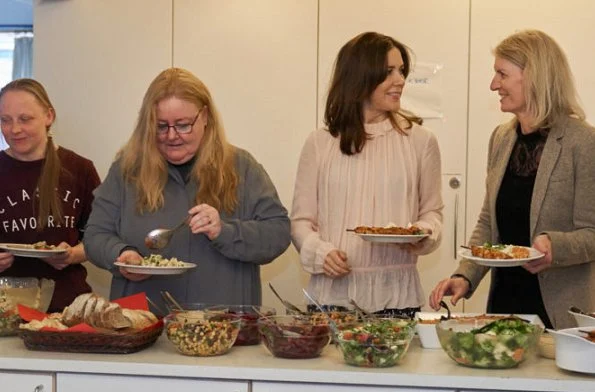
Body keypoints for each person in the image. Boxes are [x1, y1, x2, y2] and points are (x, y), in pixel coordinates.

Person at [429, 29, 595, 329]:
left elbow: (592, 233)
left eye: (502, 74)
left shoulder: (582, 142)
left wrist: (555, 246)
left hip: (560, 317)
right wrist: (464, 275)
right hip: (504, 306)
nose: (494, 85)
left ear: (534, 76)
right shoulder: (501, 138)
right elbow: (488, 223)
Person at [83, 67, 290, 307]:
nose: (171, 136)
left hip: (223, 328)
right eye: (161, 126)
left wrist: (225, 231)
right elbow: (95, 235)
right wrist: (120, 254)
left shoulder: (241, 167)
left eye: (183, 125)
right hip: (143, 328)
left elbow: (278, 233)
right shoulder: (127, 170)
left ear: (205, 117)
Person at [291, 32, 443, 317]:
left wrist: (426, 234)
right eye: (388, 72)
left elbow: (432, 213)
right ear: (359, 78)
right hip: (331, 297)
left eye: (401, 71)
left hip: (397, 299)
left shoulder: (422, 141)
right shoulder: (320, 143)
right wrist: (320, 253)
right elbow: (301, 222)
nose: (400, 80)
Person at [0, 78, 101, 312]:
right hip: (6, 312)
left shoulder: (80, 169)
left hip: (67, 309)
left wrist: (74, 255)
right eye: (6, 120)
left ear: (49, 116)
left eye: (25, 119)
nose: (14, 129)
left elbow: (102, 237)